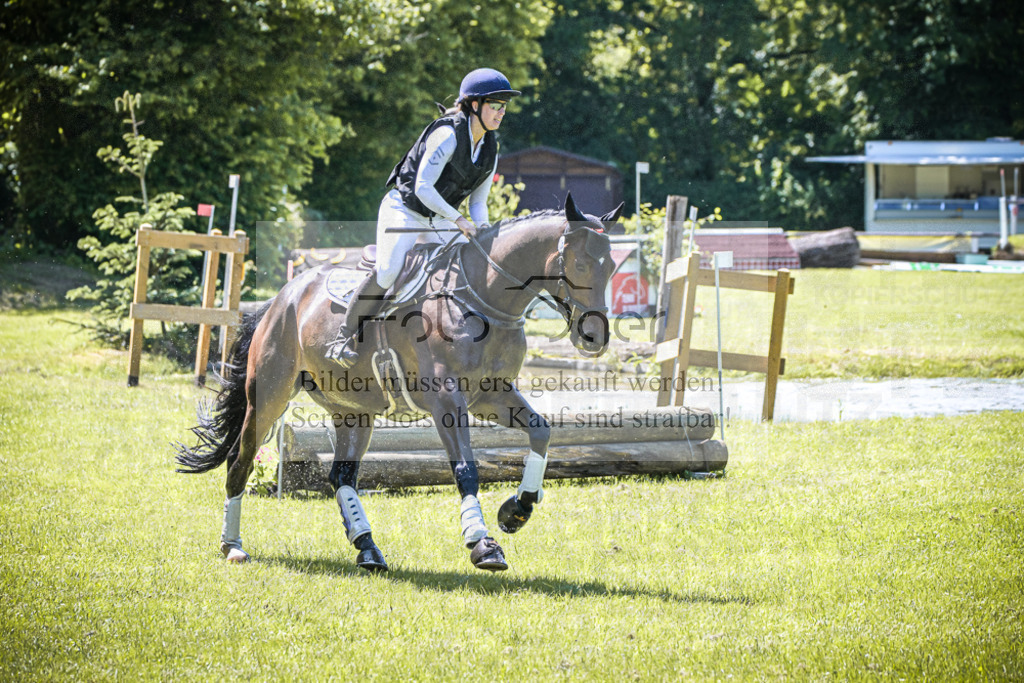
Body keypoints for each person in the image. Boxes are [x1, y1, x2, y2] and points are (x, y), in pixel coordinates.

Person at [326, 68, 520, 367]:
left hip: (440, 217)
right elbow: (423, 187)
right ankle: (342, 337)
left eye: (504, 106)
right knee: (389, 270)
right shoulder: (446, 134)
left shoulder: (490, 148)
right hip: (404, 208)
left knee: (473, 262)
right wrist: (458, 220)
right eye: (495, 104)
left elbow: (479, 203)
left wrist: (484, 232)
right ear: (474, 105)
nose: (501, 112)